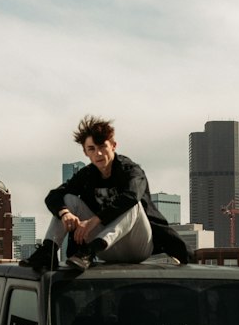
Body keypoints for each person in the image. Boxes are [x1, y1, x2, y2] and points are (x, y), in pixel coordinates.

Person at [23, 115, 190, 274]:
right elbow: (54, 195)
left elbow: (131, 196)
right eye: (92, 149)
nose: (99, 153)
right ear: (85, 152)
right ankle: (48, 253)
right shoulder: (87, 175)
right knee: (68, 200)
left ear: (113, 146)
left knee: (133, 204)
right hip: (106, 249)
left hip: (137, 245)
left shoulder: (130, 170)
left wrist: (94, 221)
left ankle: (89, 251)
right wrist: (65, 214)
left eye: (102, 146)